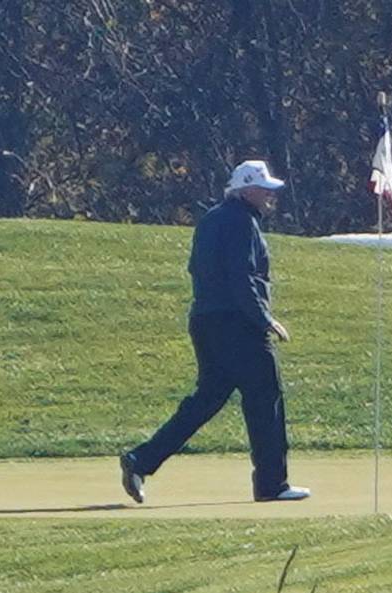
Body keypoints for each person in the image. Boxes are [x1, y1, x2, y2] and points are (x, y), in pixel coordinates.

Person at [119, 160, 310, 503]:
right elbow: (242, 277)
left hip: (206, 322)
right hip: (238, 324)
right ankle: (272, 484)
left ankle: (141, 460)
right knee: (265, 398)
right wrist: (264, 319)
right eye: (264, 190)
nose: (270, 196)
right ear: (246, 189)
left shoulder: (213, 218)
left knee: (206, 401)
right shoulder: (241, 221)